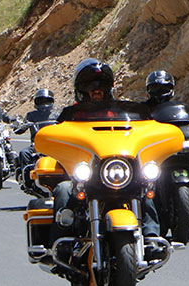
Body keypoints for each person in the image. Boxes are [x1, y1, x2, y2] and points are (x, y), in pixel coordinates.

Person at [51, 59, 164, 259]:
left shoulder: (121, 113)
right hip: (85, 171)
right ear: (81, 89)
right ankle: (62, 244)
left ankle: (152, 237)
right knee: (63, 189)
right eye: (90, 86)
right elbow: (56, 136)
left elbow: (140, 130)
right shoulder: (70, 114)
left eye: (101, 86)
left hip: (117, 169)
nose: (96, 90)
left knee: (146, 187)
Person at [144, 70, 189, 213]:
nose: (160, 92)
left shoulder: (179, 107)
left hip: (175, 147)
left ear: (171, 89)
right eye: (156, 88)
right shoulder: (144, 109)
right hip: (155, 152)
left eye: (164, 88)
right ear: (149, 90)